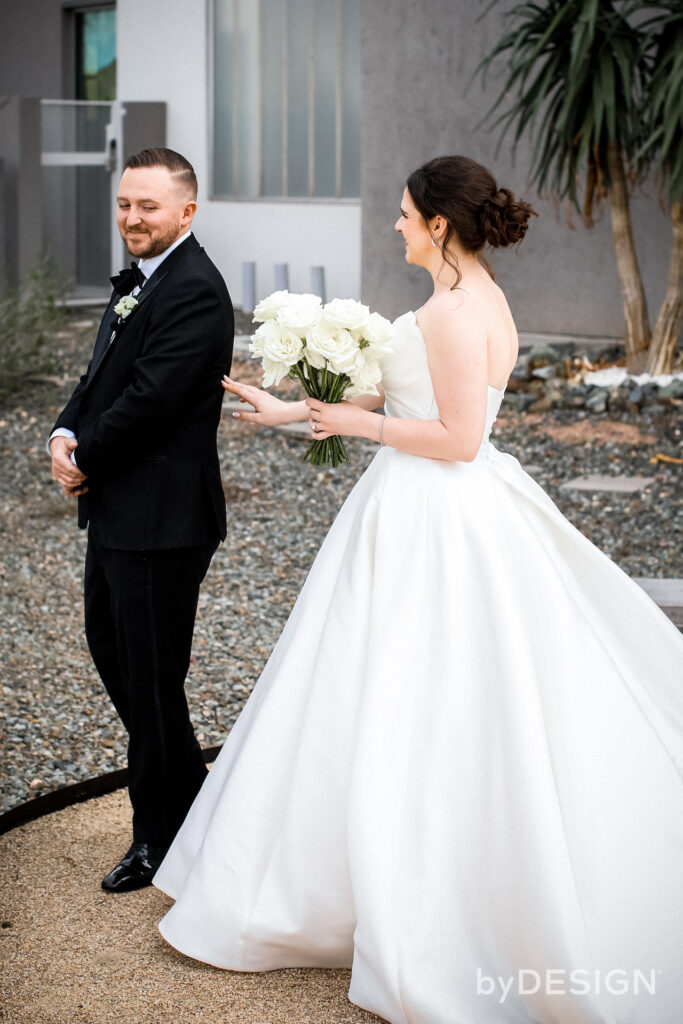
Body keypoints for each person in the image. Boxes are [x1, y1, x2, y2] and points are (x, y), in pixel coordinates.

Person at [153, 156, 683, 1024]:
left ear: (439, 224)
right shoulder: (476, 297)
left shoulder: (450, 310)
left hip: (434, 515)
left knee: (410, 690)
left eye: (403, 215)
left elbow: (458, 436)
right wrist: (294, 407)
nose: (394, 224)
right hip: (450, 508)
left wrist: (356, 424)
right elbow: (416, 388)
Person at [48, 147, 233, 893]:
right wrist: (64, 431)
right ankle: (188, 796)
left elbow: (152, 399)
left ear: (186, 212)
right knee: (114, 652)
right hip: (121, 511)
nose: (132, 218)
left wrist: (87, 455)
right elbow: (100, 379)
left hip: (163, 519)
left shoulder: (194, 290)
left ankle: (161, 839)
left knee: (152, 681)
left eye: (148, 207)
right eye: (126, 204)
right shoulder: (141, 279)